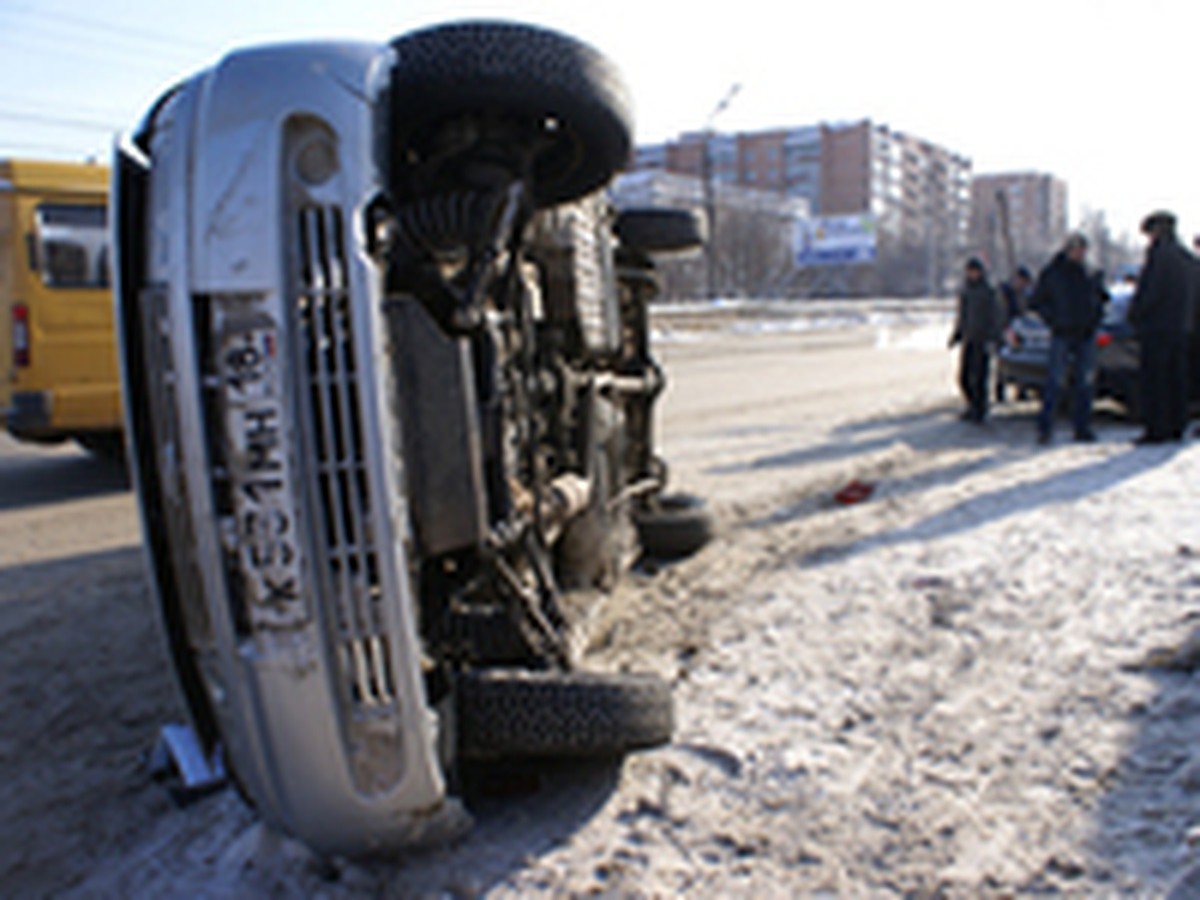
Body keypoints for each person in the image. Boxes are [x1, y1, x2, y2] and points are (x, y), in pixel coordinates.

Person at [1030, 233, 1107, 443]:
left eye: (1083, 249)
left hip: (1085, 333)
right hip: (1062, 332)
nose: (1080, 253)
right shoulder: (1053, 273)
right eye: (1076, 249)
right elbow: (1036, 301)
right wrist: (1053, 319)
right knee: (1055, 381)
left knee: (1085, 382)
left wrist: (1095, 316)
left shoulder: (1091, 272)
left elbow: (1102, 298)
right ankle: (1045, 427)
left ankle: (1082, 427)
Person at [1129, 211, 1195, 443]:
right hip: (1181, 327)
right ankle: (1177, 424)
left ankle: (1157, 428)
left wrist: (1135, 314)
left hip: (1157, 328)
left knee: (1155, 380)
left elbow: (1151, 293)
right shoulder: (1187, 258)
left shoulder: (1159, 256)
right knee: (1176, 378)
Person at [949, 257, 1003, 424]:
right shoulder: (966, 291)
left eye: (975, 271)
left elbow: (997, 316)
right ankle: (972, 404)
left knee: (980, 377)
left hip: (983, 339)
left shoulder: (988, 291)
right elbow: (962, 316)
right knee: (964, 377)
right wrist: (956, 335)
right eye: (969, 271)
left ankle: (980, 409)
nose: (972, 274)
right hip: (969, 338)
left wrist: (994, 337)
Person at [996, 266, 1034, 402]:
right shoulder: (1005, 292)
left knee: (1022, 358)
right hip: (1005, 328)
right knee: (1003, 360)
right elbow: (1000, 311)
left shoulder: (1025, 294)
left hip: (1020, 329)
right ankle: (1000, 391)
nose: (1022, 284)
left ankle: (1021, 389)